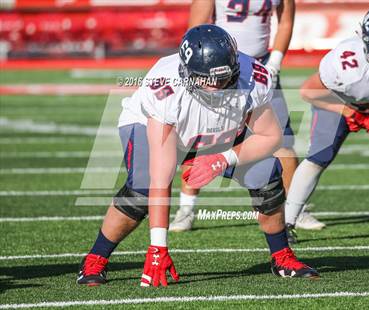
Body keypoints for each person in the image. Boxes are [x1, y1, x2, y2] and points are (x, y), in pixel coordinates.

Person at [77, 25, 319, 287]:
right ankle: (95, 259)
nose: (215, 87)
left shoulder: (252, 76)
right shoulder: (166, 88)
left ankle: (281, 255)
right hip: (154, 125)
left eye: (222, 78)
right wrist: (158, 248)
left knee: (266, 174)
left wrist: (223, 159)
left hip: (218, 134)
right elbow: (162, 178)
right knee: (143, 187)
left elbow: (270, 136)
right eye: (207, 79)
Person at [169, 0, 325, 235]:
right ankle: (186, 209)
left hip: (261, 68)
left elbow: (285, 22)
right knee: (202, 138)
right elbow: (196, 30)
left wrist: (274, 62)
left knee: (282, 140)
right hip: (217, 71)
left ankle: (294, 209)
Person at [284, 2, 369, 239]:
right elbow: (309, 91)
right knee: (319, 156)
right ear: (367, 42)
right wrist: (350, 114)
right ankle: (287, 221)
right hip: (338, 103)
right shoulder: (346, 63)